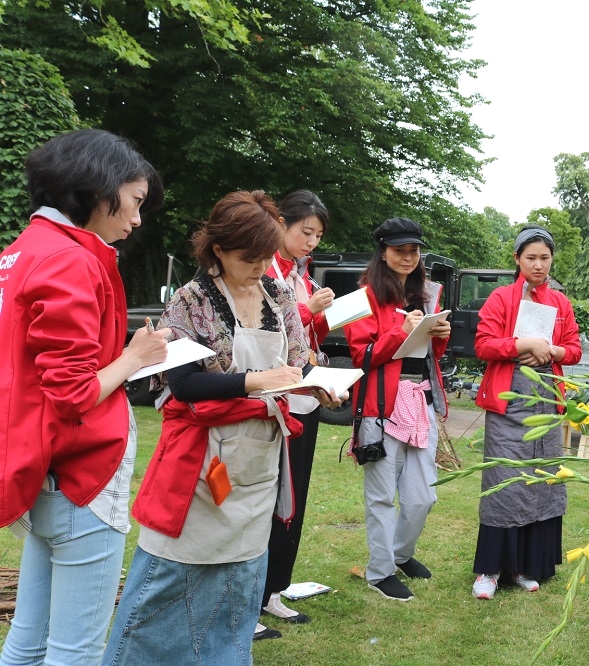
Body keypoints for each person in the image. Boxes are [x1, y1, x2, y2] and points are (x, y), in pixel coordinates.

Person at [102, 191, 342, 664]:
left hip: (258, 460)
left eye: (264, 256)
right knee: (169, 581)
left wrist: (318, 386)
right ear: (217, 250)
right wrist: (256, 380)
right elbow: (184, 384)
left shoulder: (277, 297)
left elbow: (296, 364)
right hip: (201, 459)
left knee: (238, 588)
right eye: (247, 257)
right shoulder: (191, 302)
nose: (259, 267)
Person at [0, 129, 169, 666]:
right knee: (76, 652)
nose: (138, 219)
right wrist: (135, 357)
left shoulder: (19, 252)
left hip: (40, 467)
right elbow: (73, 393)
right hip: (81, 475)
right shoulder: (70, 259)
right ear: (99, 188)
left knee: (26, 643)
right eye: (135, 201)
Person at [471, 225, 581, 600]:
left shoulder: (560, 302)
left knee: (541, 481)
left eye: (545, 258)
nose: (538, 265)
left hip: (546, 398)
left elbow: (574, 349)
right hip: (509, 397)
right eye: (530, 257)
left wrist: (554, 351)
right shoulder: (501, 297)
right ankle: (489, 570)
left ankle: (526, 566)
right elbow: (484, 344)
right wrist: (521, 344)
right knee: (505, 479)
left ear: (552, 261)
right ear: (517, 259)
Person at [343, 216, 450, 602]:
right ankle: (380, 570)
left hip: (419, 400)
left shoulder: (424, 294)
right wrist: (399, 332)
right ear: (383, 251)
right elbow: (362, 356)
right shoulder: (364, 296)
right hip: (379, 407)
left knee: (423, 496)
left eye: (414, 250)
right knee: (382, 495)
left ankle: (401, 555)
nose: (408, 257)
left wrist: (439, 336)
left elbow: (426, 356)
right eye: (400, 250)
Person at [258, 190, 335, 631]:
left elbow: (303, 332)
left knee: (295, 497)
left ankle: (274, 589)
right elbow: (268, 328)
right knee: (268, 498)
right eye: (305, 231)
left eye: (318, 236)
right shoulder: (262, 268)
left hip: (305, 396)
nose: (311, 242)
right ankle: (253, 592)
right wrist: (308, 308)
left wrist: (321, 314)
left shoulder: (299, 274)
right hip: (274, 399)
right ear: (280, 223)